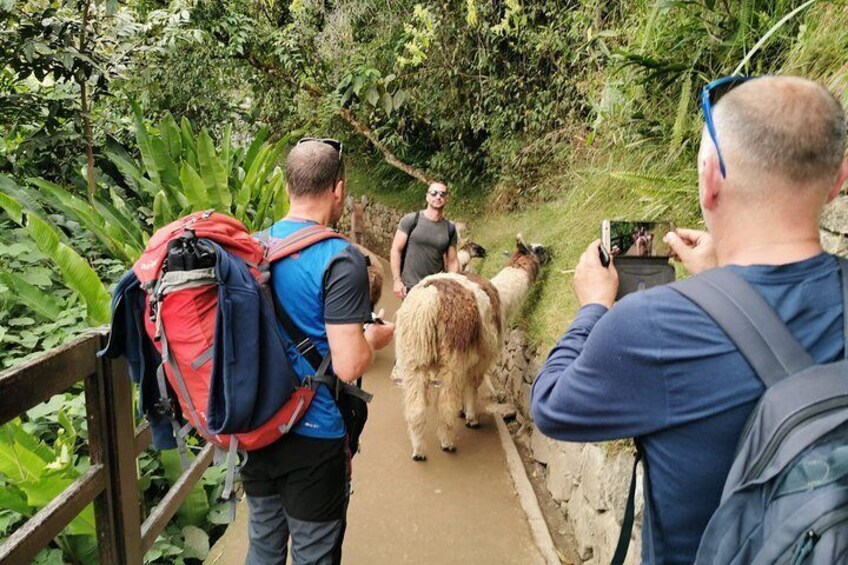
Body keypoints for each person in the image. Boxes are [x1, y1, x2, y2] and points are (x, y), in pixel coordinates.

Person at [531, 75, 848, 564]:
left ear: (710, 178)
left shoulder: (653, 327)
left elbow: (551, 405)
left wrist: (594, 305)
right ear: (839, 180)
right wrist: (724, 284)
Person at [241, 138, 395, 565]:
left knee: (263, 549)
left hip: (257, 428)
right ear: (339, 190)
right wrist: (374, 339)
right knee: (314, 555)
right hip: (314, 434)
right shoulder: (340, 258)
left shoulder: (253, 248)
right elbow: (348, 365)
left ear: (288, 186)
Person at [390, 182, 460, 299]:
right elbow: (396, 250)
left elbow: (452, 261)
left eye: (442, 194)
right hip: (410, 288)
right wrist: (397, 280)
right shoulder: (412, 220)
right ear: (427, 197)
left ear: (446, 199)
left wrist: (452, 285)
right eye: (434, 193)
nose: (438, 197)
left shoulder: (449, 228)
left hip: (435, 290)